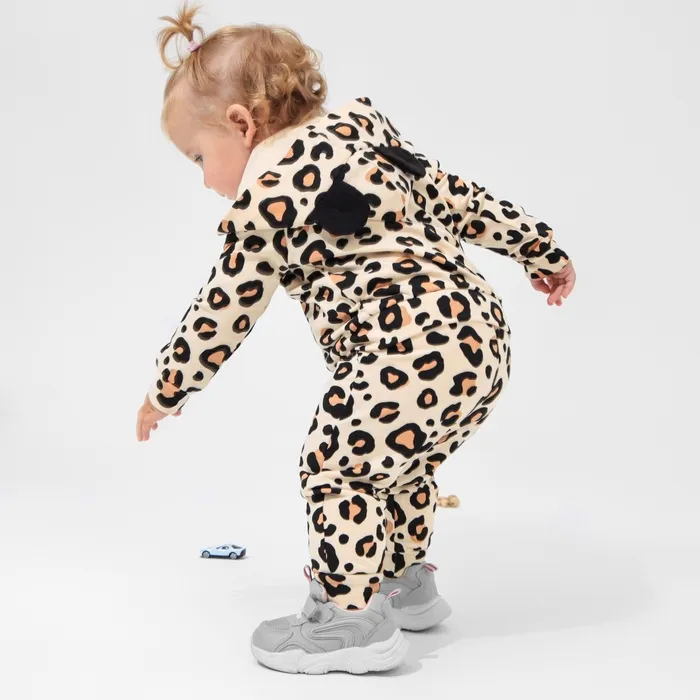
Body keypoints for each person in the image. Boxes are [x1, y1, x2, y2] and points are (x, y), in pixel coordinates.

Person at [135, 2, 576, 675]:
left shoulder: (267, 202)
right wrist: (541, 250)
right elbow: (459, 197)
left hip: (408, 346)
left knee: (336, 466)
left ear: (242, 124)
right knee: (398, 463)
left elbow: (221, 312)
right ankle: (403, 584)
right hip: (480, 336)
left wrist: (167, 389)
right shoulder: (371, 141)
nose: (205, 178)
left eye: (199, 157)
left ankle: (347, 619)